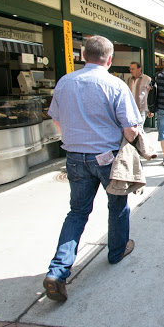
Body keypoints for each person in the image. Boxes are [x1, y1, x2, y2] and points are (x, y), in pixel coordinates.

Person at [43, 35, 140, 302]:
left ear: (83, 55)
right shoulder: (115, 85)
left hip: (74, 156)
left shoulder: (65, 82)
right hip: (106, 157)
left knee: (77, 212)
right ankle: (117, 251)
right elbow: (131, 130)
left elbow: (57, 121)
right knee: (117, 205)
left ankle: (58, 271)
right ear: (109, 59)